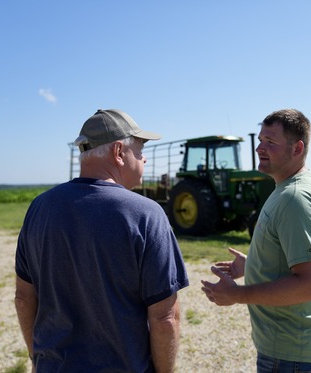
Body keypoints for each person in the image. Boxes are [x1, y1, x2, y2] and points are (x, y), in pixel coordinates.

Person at [14, 108, 189, 372]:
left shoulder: (40, 207)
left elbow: (24, 299)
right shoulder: (146, 214)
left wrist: (38, 358)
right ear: (119, 152)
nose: (144, 160)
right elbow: (165, 318)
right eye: (140, 151)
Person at [201, 109, 311, 372]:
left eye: (270, 142)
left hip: (289, 352)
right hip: (285, 349)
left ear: (297, 148)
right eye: (261, 140)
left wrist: (237, 295)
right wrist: (253, 265)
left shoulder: (295, 198)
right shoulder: (285, 189)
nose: (260, 148)